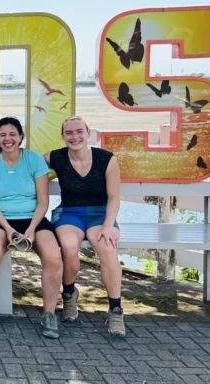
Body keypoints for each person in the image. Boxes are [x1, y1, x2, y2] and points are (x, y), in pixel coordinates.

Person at [0, 117, 62, 337]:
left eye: (12, 134)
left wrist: (32, 229)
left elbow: (43, 201)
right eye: (2, 135)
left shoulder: (34, 159)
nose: (8, 139)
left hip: (33, 218)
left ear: (21, 136)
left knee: (53, 257)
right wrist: (8, 229)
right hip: (1, 219)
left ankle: (49, 314)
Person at [46, 116, 125, 337]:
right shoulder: (56, 157)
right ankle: (69, 294)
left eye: (79, 131)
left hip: (100, 215)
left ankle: (116, 309)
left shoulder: (106, 159)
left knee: (108, 248)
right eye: (69, 133)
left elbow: (114, 197)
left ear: (88, 133)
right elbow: (25, 162)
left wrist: (109, 226)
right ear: (62, 136)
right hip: (69, 213)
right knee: (69, 246)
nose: (75, 137)